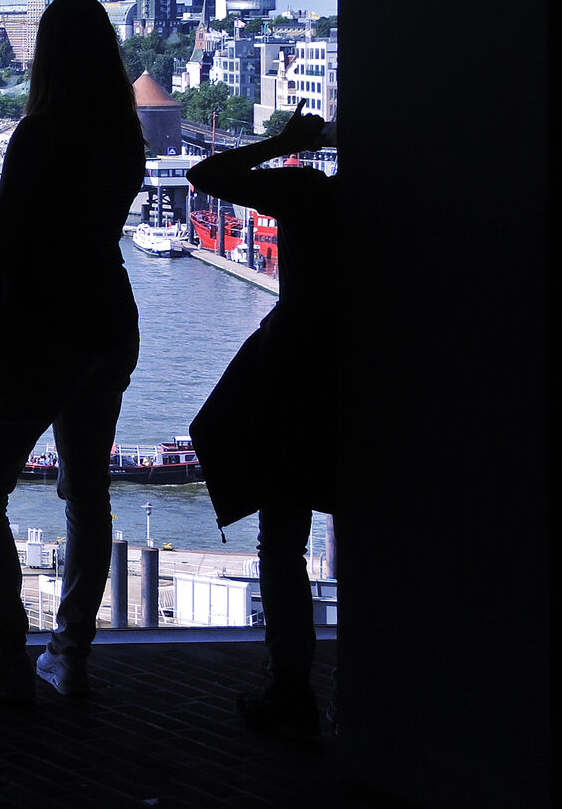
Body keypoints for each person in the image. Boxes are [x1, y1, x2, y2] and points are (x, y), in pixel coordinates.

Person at [0, 0, 146, 704]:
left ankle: (3, 647)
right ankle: (70, 654)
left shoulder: (39, 133)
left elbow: (2, 253)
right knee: (87, 494)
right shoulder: (126, 135)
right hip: (110, 322)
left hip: (42, 333)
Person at [188, 104, 340, 737]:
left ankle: (290, 690)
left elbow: (206, 174)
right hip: (373, 377)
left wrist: (283, 142)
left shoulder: (307, 195)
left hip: (297, 381)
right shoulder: (419, 199)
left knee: (282, 540)